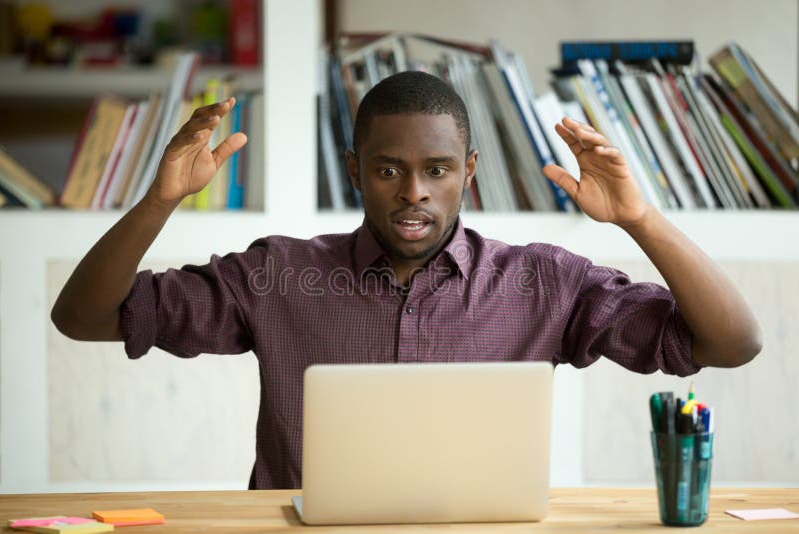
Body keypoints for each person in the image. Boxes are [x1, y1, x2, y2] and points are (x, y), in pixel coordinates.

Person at [51, 71, 762, 489]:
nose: (413, 192)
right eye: (388, 170)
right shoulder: (277, 276)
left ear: (469, 173)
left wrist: (640, 220)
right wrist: (160, 199)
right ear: (356, 170)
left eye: (437, 171)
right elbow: (83, 317)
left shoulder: (544, 283)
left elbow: (732, 343)